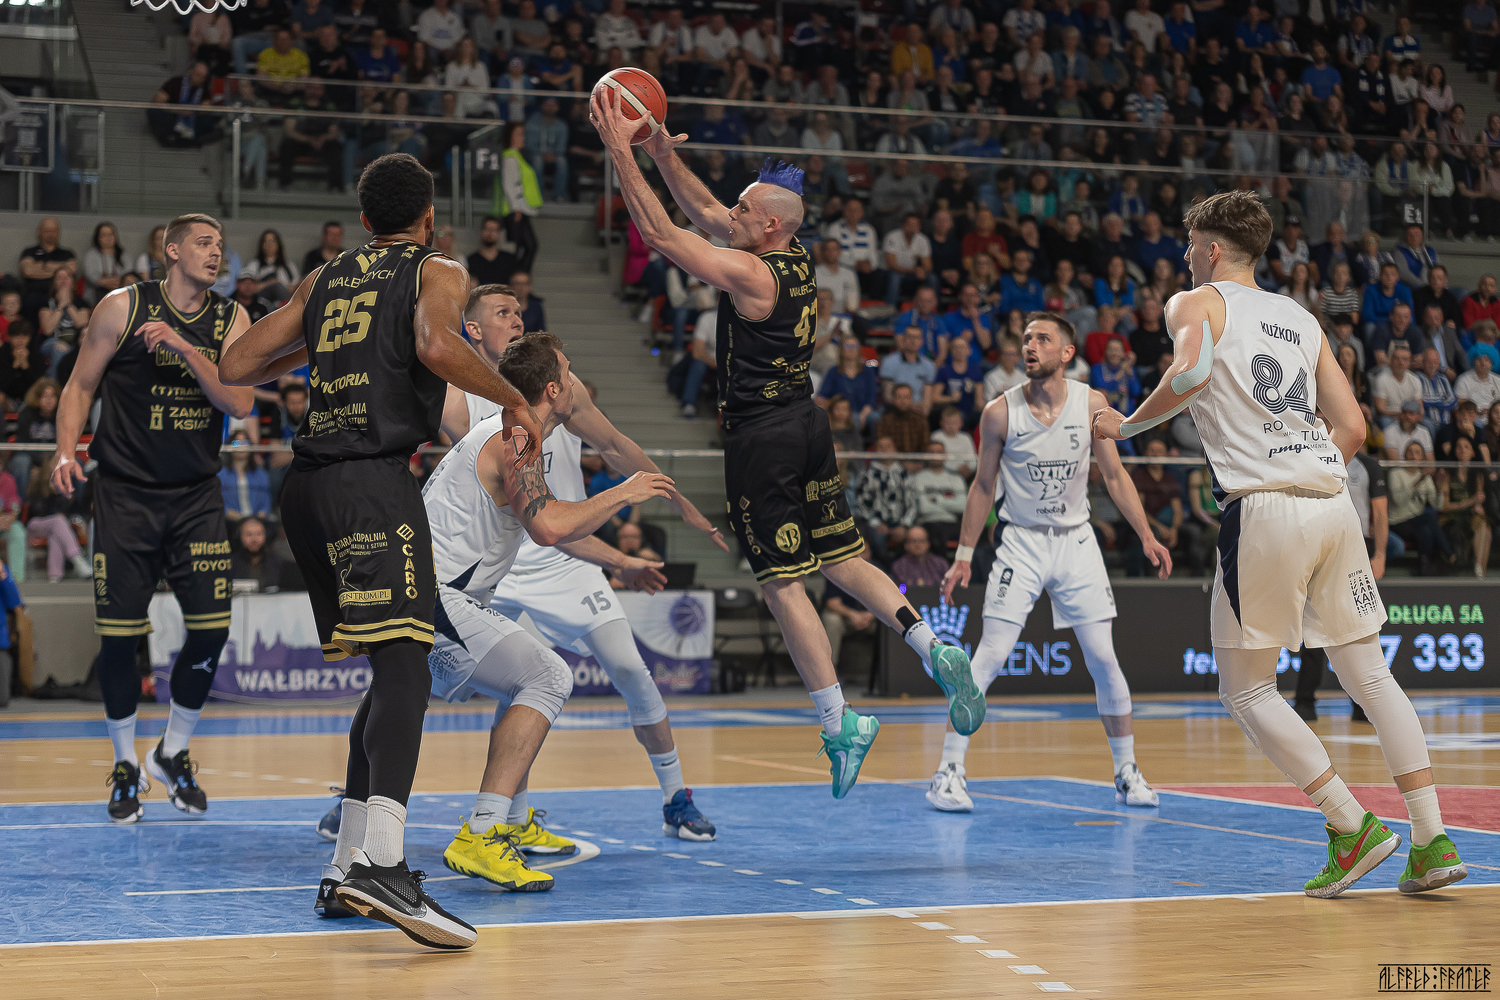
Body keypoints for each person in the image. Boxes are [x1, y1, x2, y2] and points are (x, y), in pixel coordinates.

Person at [595, 89, 981, 798]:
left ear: (767, 224)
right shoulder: (792, 254)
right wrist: (663, 155)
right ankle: (932, 646)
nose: (730, 214)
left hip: (763, 438)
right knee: (846, 558)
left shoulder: (751, 274)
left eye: (744, 210)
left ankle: (839, 722)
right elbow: (708, 212)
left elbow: (663, 235)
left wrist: (620, 152)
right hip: (807, 424)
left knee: (781, 584)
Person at [1093, 189, 1467, 898]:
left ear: (1210, 250)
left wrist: (1126, 425)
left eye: (1190, 247)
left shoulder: (1193, 302)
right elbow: (1352, 428)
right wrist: (1304, 465)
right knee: (1371, 676)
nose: (1186, 258)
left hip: (1263, 508)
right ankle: (1431, 839)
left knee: (1245, 687)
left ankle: (1350, 824)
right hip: (1332, 500)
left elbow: (1191, 373)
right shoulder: (1300, 316)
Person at [219, 154, 549, 950]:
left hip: (307, 489)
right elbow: (436, 343)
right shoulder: (437, 268)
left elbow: (236, 365)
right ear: (429, 218)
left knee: (387, 674)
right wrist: (514, 401)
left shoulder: (324, 277)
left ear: (364, 220)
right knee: (407, 669)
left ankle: (344, 869)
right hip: (370, 480)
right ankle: (384, 866)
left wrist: (328, 349)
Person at [439, 288, 727, 840]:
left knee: (629, 670)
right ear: (471, 332)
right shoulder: (463, 401)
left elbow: (615, 447)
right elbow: (543, 522)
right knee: (519, 685)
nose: (517, 319)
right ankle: (494, 818)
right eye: (503, 313)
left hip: (569, 554)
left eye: (520, 310)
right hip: (505, 565)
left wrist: (679, 503)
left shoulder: (559, 392)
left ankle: (675, 798)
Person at [422, 335, 675, 894]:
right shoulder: (517, 436)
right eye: (570, 369)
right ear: (555, 390)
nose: (577, 379)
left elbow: (552, 523)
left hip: (422, 591)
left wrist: (621, 561)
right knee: (547, 676)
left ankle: (370, 820)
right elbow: (549, 527)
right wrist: (623, 493)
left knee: (408, 703)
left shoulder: (511, 431)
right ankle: (483, 831)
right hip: (434, 596)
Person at [49, 213, 254, 827]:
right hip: (125, 495)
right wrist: (65, 451)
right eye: (203, 243)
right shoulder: (122, 306)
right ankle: (123, 764)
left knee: (211, 631)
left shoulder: (231, 320)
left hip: (195, 496)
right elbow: (79, 386)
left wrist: (186, 349)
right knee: (119, 638)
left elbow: (240, 402)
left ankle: (173, 750)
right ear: (171, 250)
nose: (215, 253)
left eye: (220, 245)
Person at [930, 311, 1170, 814]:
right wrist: (963, 556)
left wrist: (1146, 535)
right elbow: (982, 486)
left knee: (1103, 658)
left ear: (1067, 353)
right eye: (1026, 339)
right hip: (1020, 542)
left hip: (1076, 541)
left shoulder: (1092, 404)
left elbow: (1115, 476)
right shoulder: (999, 412)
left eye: (1043, 338)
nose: (1030, 346)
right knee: (989, 656)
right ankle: (947, 772)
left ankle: (1126, 771)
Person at [229, 515, 282, 592]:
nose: (254, 539)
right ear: (239, 536)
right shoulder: (229, 565)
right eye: (249, 534)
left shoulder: (278, 564)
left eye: (259, 534)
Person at [466, 216, 520, 289]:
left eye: (494, 230)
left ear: (499, 233)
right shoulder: (471, 260)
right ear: (481, 231)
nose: (490, 233)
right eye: (487, 229)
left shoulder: (509, 259)